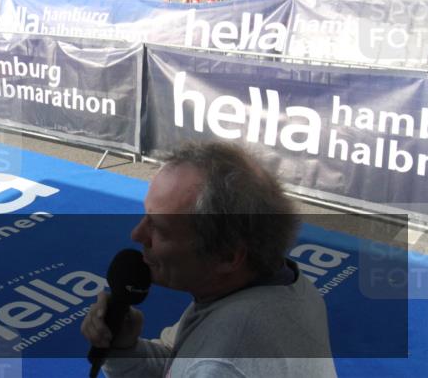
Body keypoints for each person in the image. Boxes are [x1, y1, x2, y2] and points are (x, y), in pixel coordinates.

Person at [82, 142, 336, 378]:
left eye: (159, 228)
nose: (137, 234)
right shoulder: (275, 283)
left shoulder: (223, 363)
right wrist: (124, 349)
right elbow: (177, 363)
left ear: (227, 256)